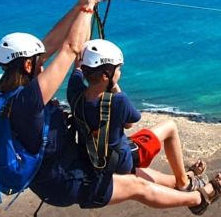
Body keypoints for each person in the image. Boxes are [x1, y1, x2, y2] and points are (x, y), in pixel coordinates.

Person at [0, 0, 221, 214]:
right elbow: (70, 50)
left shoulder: (5, 92)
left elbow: (63, 47)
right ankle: (199, 198)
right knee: (137, 186)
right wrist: (90, 5)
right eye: (39, 60)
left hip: (70, 164)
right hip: (65, 181)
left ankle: (183, 183)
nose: (44, 61)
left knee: (133, 174)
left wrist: (83, 5)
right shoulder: (29, 101)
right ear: (27, 64)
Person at [66, 38, 207, 190]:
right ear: (106, 76)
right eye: (118, 69)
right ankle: (183, 182)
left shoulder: (74, 92)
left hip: (92, 156)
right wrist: (114, 87)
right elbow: (129, 123)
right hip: (119, 162)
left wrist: (86, 58)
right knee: (170, 127)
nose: (119, 72)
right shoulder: (119, 100)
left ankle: (186, 176)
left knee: (139, 167)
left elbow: (78, 68)